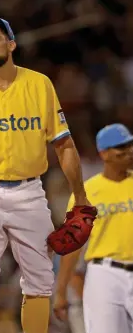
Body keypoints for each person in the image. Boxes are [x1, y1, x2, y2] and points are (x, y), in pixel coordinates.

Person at [0, 13, 93, 333]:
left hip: (29, 191)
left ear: (11, 43)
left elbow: (64, 143)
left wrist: (81, 198)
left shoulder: (39, 84)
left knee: (40, 279)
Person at [53, 123, 133, 333]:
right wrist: (61, 290)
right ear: (104, 153)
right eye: (121, 147)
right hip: (104, 274)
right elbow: (73, 244)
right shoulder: (88, 192)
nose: (129, 151)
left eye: (130, 145)